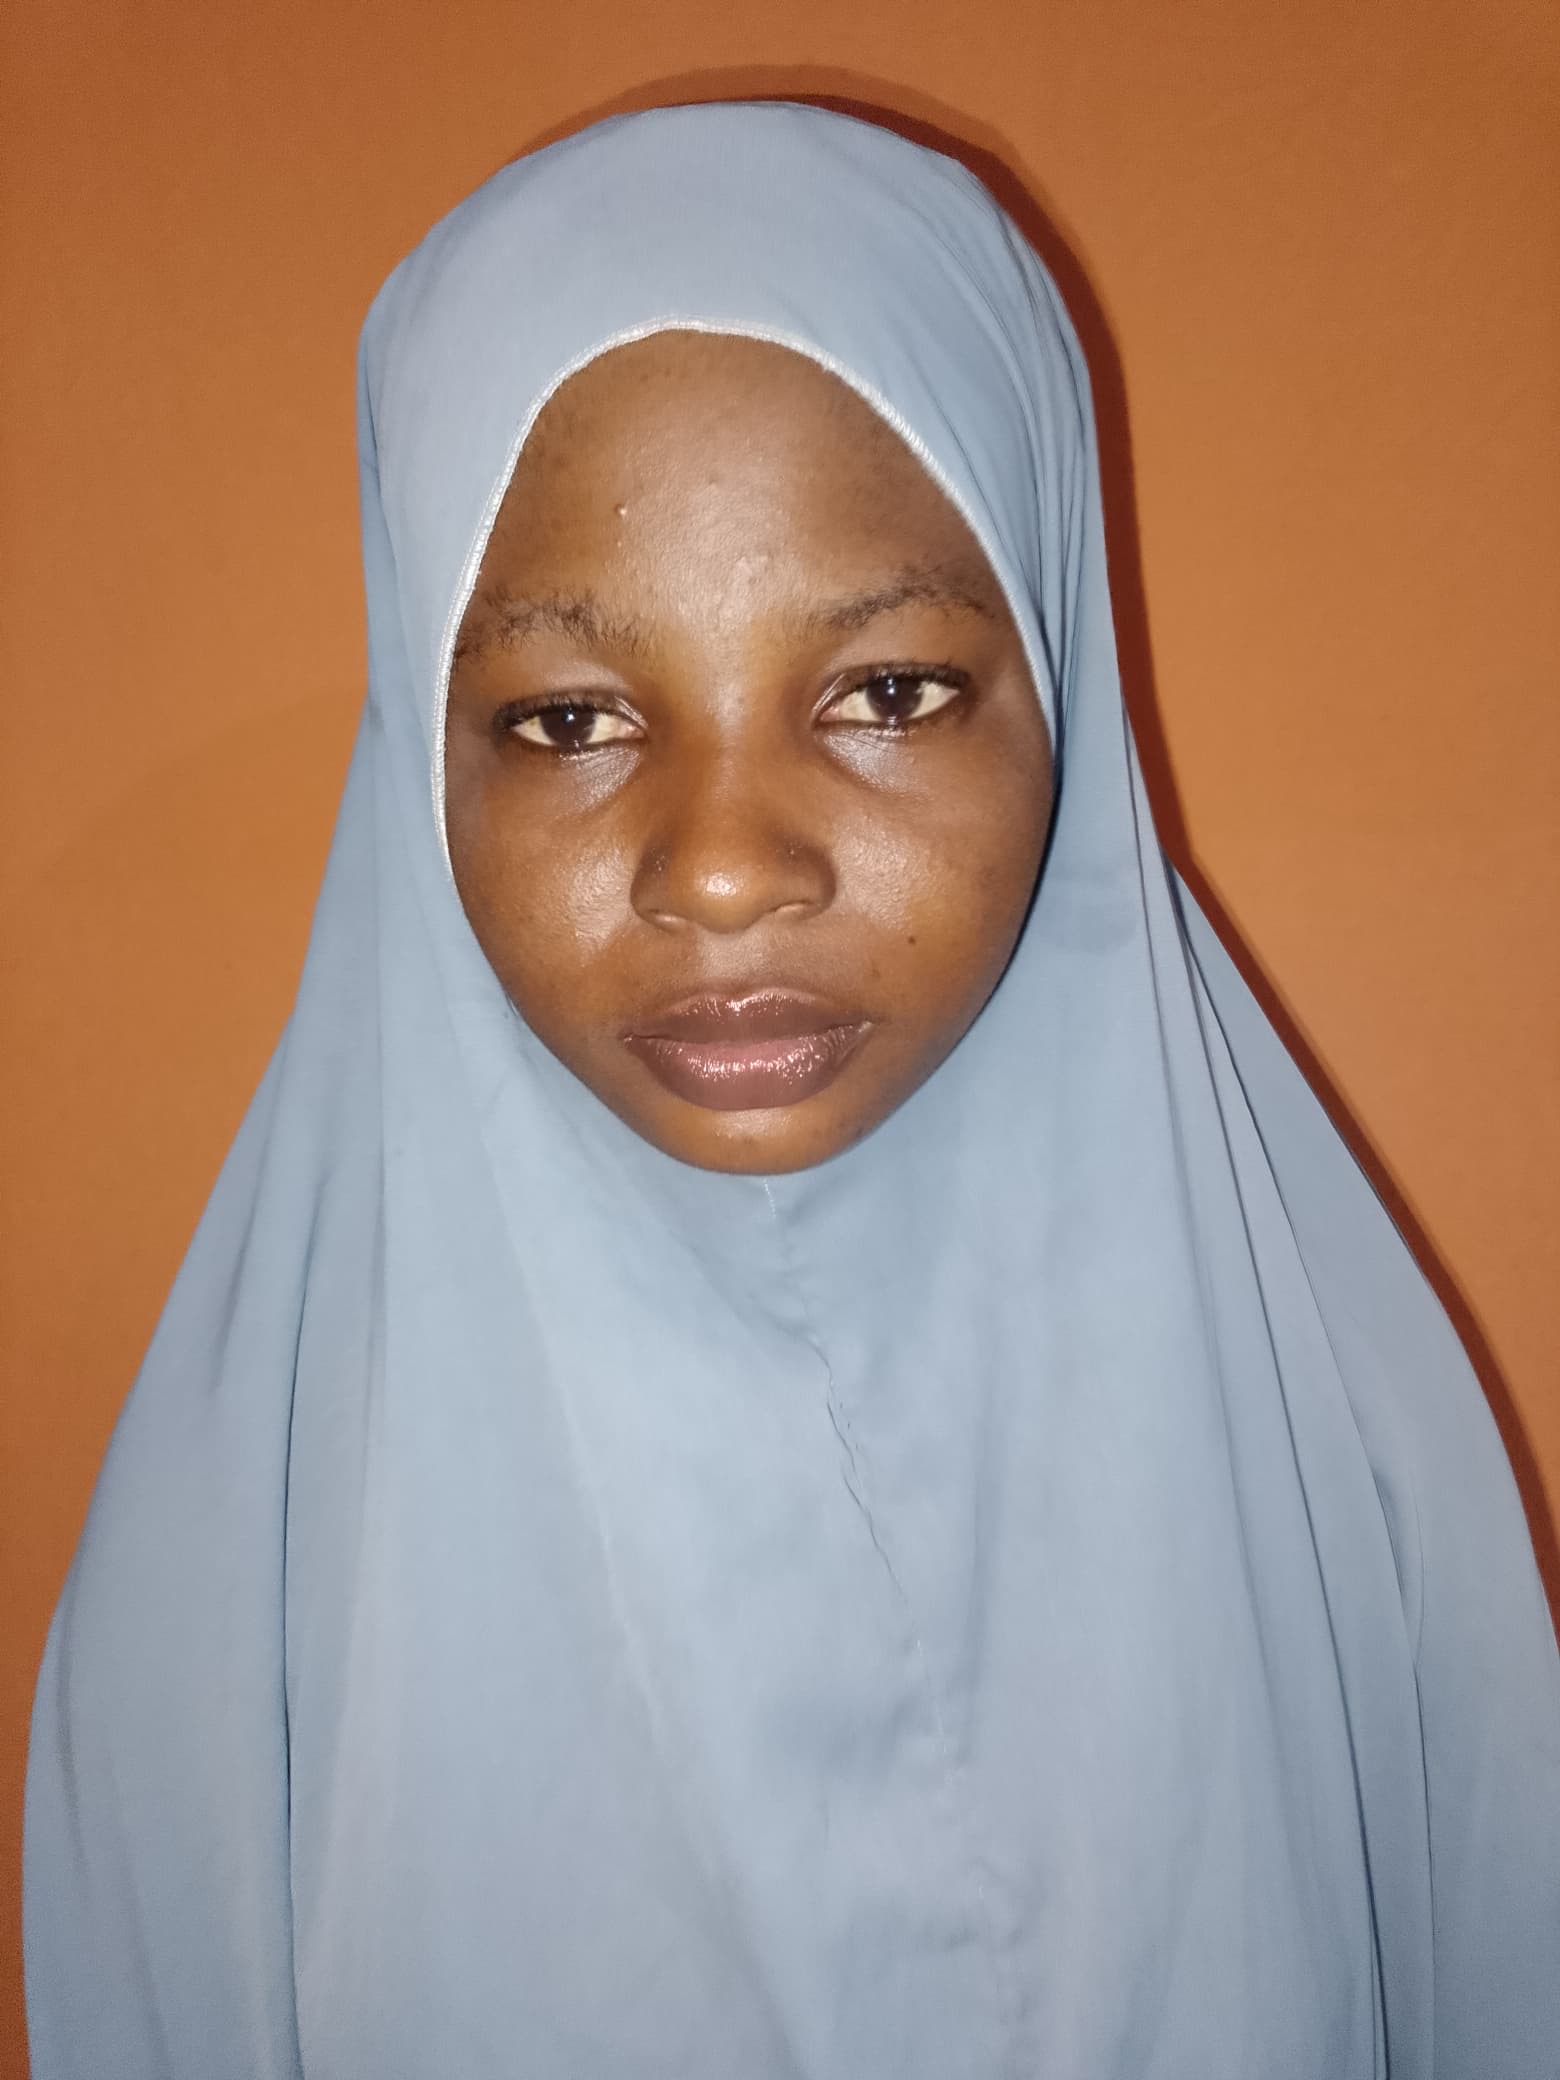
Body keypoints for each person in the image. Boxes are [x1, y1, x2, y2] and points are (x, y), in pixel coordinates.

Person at [23, 99, 1560, 2079]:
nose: (728, 868)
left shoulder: (1355, 1485)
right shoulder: (226, 1611)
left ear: (1061, 690)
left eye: (885, 693)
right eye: (569, 720)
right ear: (422, 759)